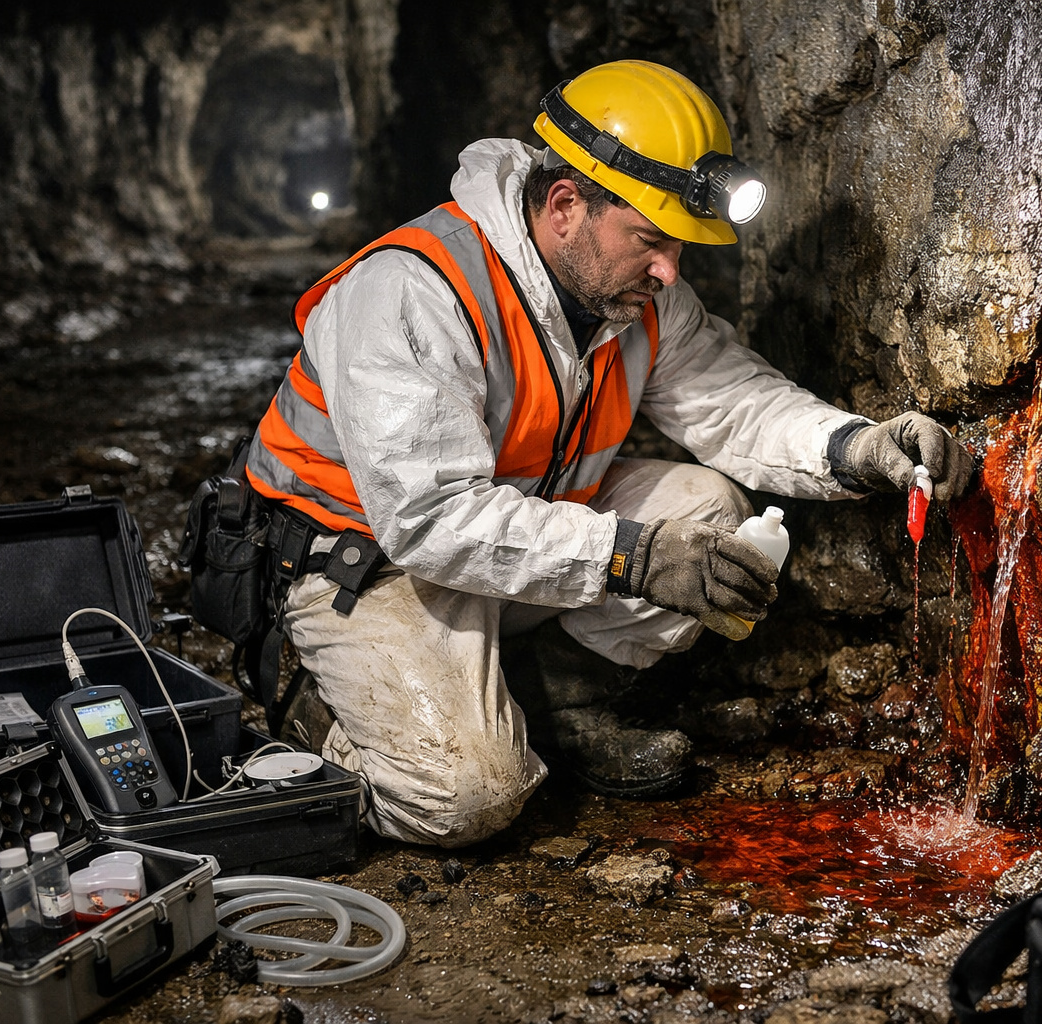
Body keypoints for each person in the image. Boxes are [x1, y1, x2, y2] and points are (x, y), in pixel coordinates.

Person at [242, 60, 973, 847]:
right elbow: (430, 518)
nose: (669, 271)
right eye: (651, 241)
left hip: (512, 534)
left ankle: (552, 703)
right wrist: (631, 556)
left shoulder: (628, 295)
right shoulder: (414, 290)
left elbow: (732, 404)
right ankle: (325, 714)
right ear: (565, 206)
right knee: (467, 799)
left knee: (710, 513)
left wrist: (860, 445)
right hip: (366, 564)